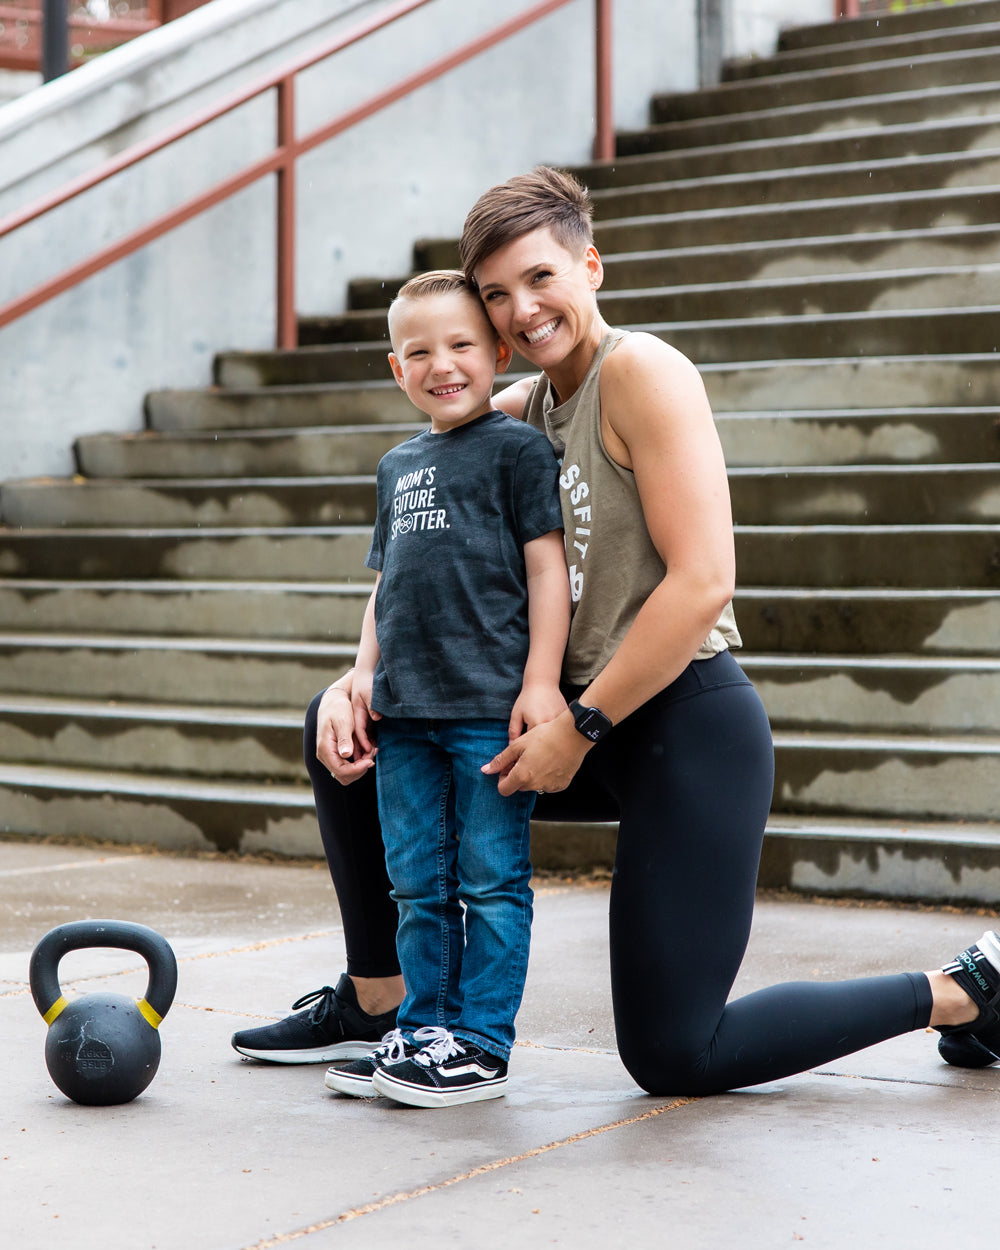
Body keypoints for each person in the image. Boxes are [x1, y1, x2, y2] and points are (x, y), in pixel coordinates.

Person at [233, 166, 1000, 1094]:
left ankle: (964, 992)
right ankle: (380, 998)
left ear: (590, 266)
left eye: (541, 277)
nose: (523, 309)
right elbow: (416, 554)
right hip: (563, 722)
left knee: (677, 1054)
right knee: (351, 728)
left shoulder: (642, 372)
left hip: (678, 725)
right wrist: (360, 674)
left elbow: (704, 580)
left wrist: (582, 726)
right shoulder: (513, 413)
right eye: (497, 294)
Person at [262, 270, 569, 1108]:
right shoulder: (397, 465)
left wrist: (541, 680)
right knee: (417, 886)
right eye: (420, 352)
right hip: (404, 716)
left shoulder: (518, 451)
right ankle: (423, 1031)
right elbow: (386, 584)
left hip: (486, 712)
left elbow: (548, 570)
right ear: (397, 370)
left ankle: (481, 1044)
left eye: (462, 344)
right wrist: (363, 673)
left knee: (491, 882)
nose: (443, 364)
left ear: (499, 353)